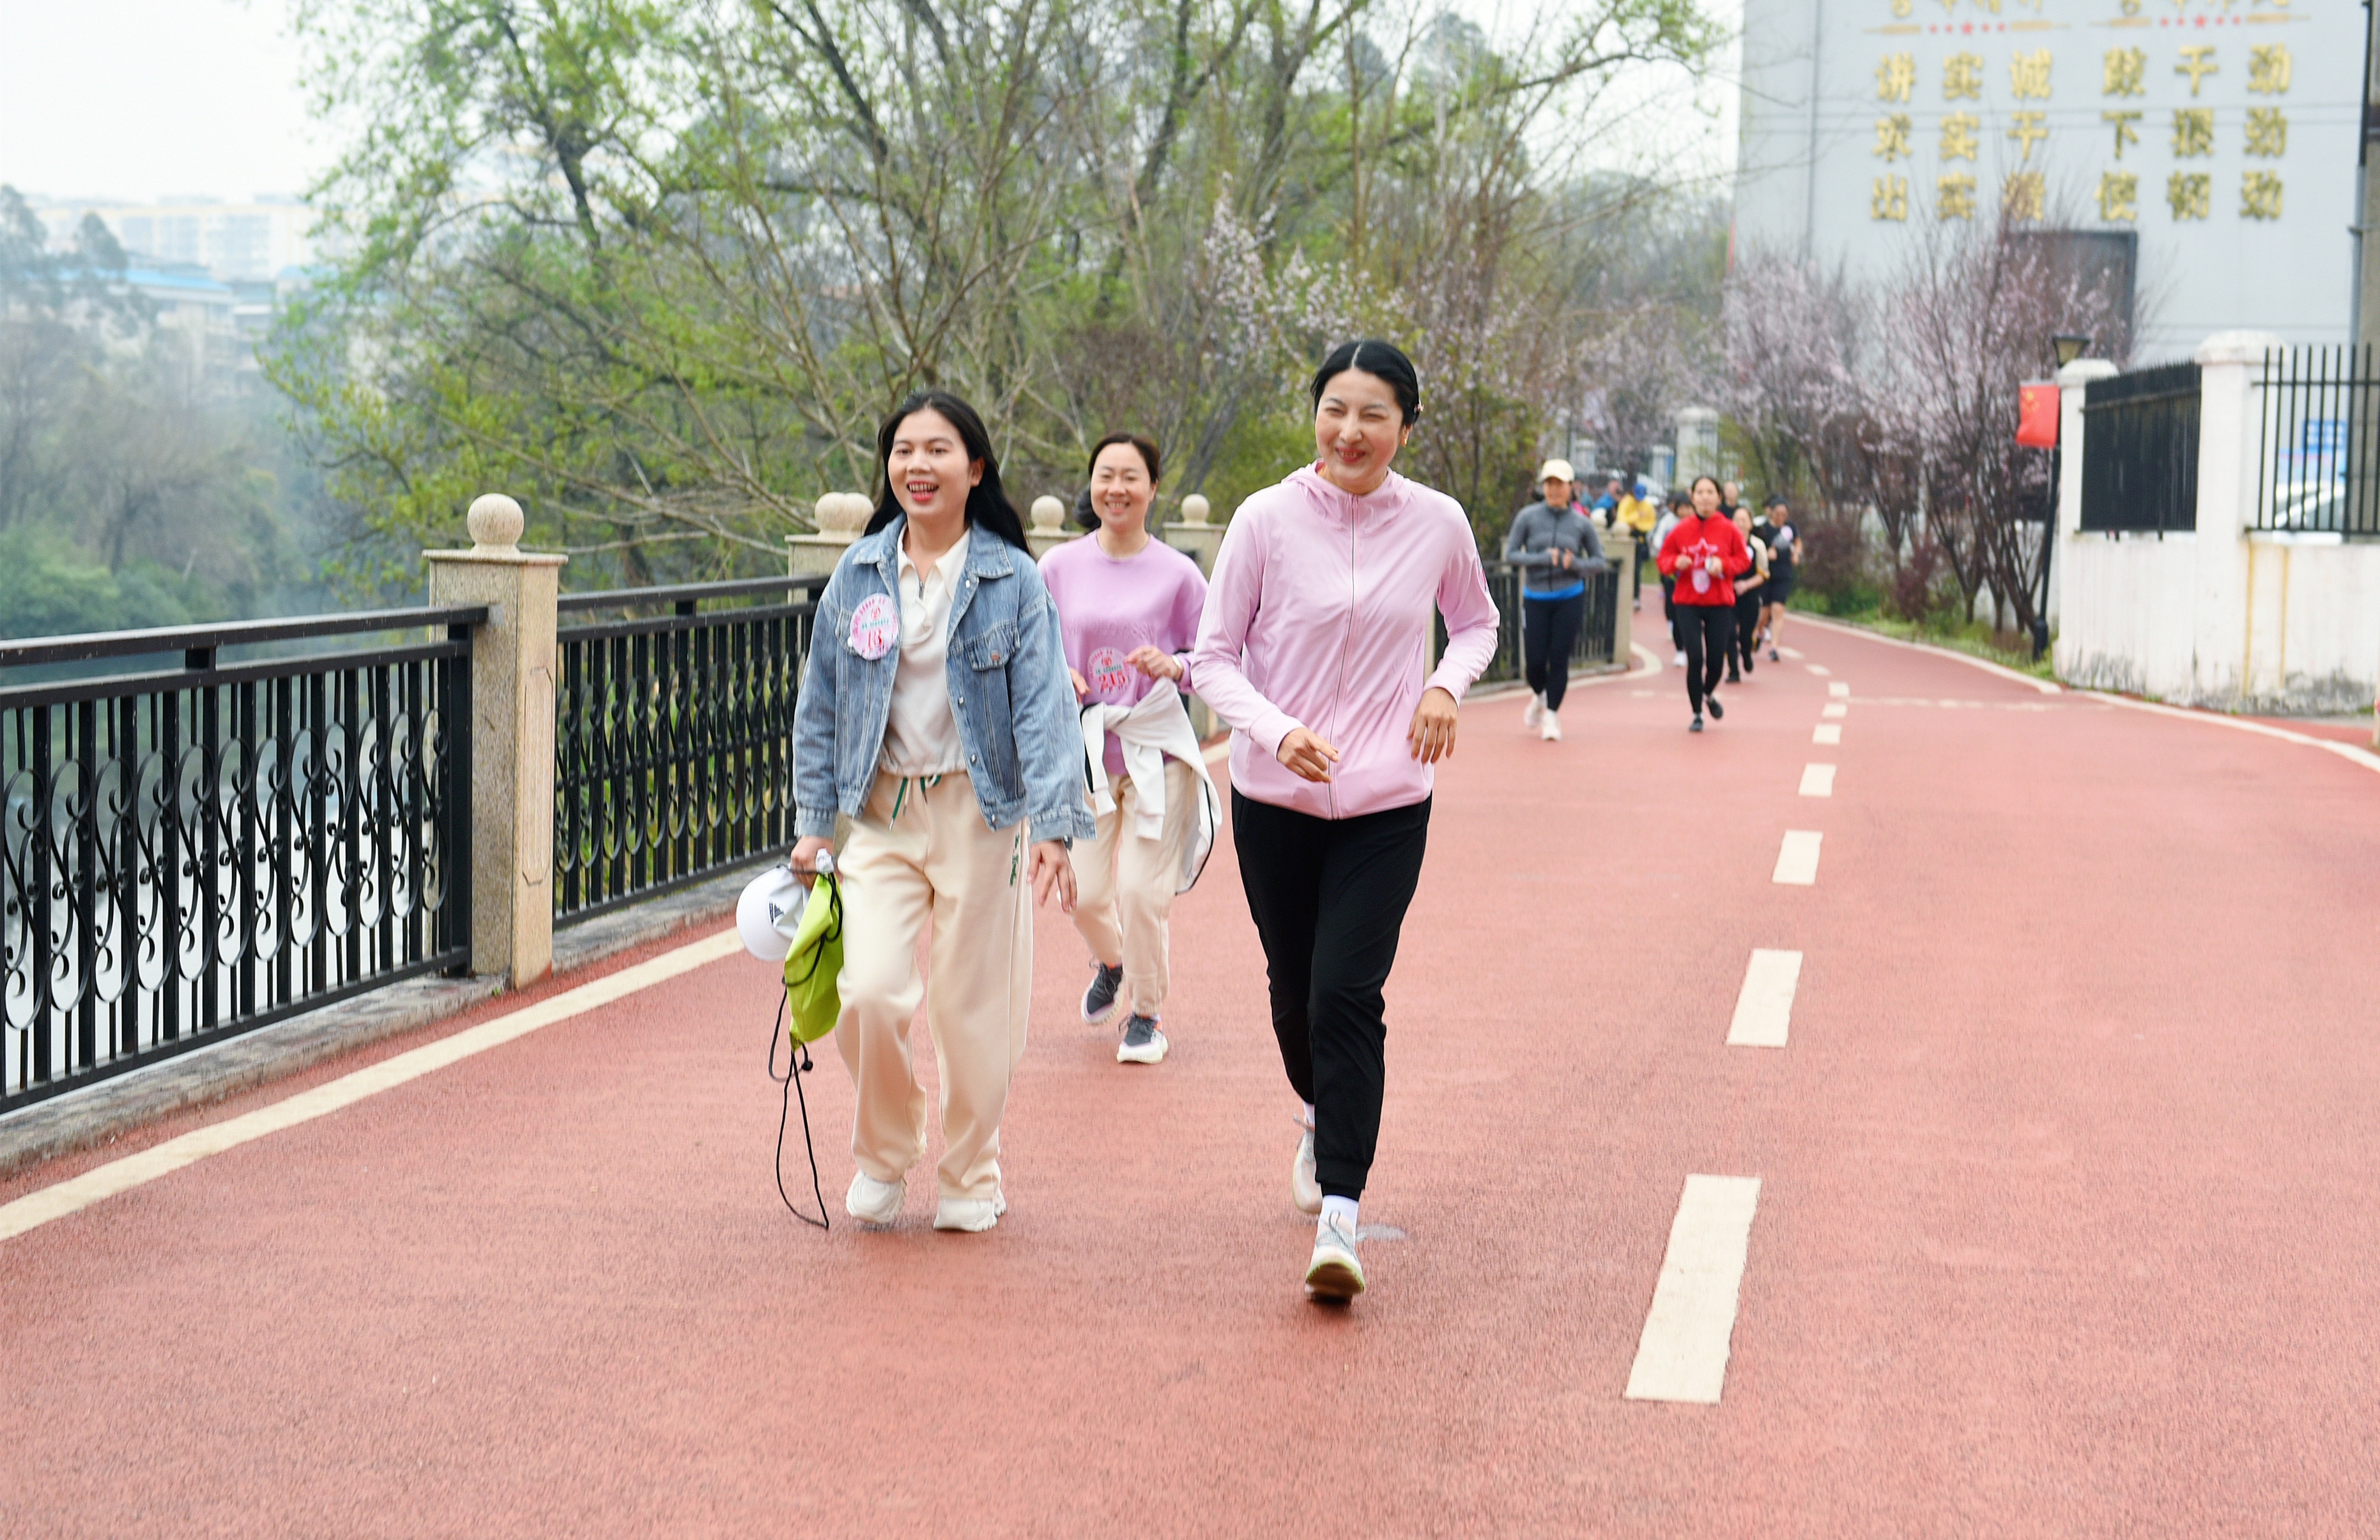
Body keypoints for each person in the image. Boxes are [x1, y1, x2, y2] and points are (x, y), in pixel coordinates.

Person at [1191, 339, 1498, 1304]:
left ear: (1407, 426)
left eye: (1373, 414)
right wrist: (1277, 734)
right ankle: (1326, 1117)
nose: (1350, 431)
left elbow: (1480, 622)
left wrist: (1446, 685)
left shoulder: (1439, 523)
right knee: (1294, 994)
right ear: (1314, 416)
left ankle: (1340, 1215)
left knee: (1343, 996)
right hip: (1275, 797)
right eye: (1335, 409)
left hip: (1388, 799)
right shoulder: (1266, 520)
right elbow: (1212, 658)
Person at [789, 390, 1092, 1234]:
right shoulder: (856, 576)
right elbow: (820, 706)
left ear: (976, 468)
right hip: (880, 815)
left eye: (937, 450)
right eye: (902, 451)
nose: (917, 466)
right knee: (868, 992)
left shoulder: (1012, 579)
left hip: (979, 812)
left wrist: (1056, 830)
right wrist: (815, 823)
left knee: (972, 1010)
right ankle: (886, 1152)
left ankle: (971, 1168)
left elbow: (1042, 708)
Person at [1039, 432, 1216, 1066]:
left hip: (1155, 753)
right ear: (1091, 485)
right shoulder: (1057, 567)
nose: (1115, 488)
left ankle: (1145, 1013)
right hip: (1087, 752)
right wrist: (1058, 673)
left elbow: (1214, 656)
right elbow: (1034, 648)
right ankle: (1112, 965)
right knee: (1085, 894)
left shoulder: (1178, 574)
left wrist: (1174, 665)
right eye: (1104, 475)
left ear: (1151, 488)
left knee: (1143, 895)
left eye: (1130, 477)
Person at [1504, 457, 1608, 741]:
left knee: (1559, 658)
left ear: (1571, 487)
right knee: (1535, 663)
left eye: (1559, 484)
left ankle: (1552, 716)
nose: (1554, 489)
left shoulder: (1581, 523)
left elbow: (1599, 561)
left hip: (1569, 596)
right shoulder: (1528, 517)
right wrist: (1541, 559)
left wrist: (1573, 564)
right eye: (1549, 484)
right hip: (1535, 596)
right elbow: (1511, 554)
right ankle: (1540, 698)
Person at [1656, 474, 1751, 732]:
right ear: (1693, 497)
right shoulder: (1681, 529)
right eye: (1700, 492)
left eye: (1711, 492)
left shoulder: (1729, 529)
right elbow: (1663, 559)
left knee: (1716, 663)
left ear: (1720, 498)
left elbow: (1744, 561)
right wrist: (1676, 563)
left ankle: (1708, 694)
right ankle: (1697, 712)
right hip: (1687, 602)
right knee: (1695, 658)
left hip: (1719, 602)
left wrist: (1724, 565)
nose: (1705, 497)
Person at [1727, 505, 1770, 685]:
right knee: (1728, 633)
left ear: (1751, 524)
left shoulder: (1758, 545)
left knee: (1746, 635)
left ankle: (1746, 655)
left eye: (1745, 520)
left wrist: (1746, 585)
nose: (1741, 524)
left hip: (1750, 596)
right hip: (1729, 595)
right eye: (1737, 520)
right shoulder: (1726, 542)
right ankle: (1733, 671)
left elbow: (1764, 574)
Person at [1757, 495, 1798, 662]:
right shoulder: (1762, 529)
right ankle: (1760, 632)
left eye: (1784, 513)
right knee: (1764, 613)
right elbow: (1756, 549)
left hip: (1783, 573)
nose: (1781, 517)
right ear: (1771, 512)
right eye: (1778, 513)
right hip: (1766, 575)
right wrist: (1767, 554)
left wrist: (1796, 553)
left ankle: (1774, 648)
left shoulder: (1790, 528)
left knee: (1778, 609)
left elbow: (1798, 542)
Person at [1650, 490, 1688, 666]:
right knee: (1674, 609)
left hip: (1693, 578)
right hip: (1673, 575)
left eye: (1689, 507)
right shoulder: (1669, 523)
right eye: (1683, 508)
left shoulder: (1698, 525)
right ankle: (1680, 648)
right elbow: (1658, 542)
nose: (1686, 511)